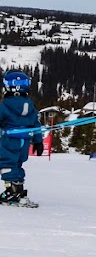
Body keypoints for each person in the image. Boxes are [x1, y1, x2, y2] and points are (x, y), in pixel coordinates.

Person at [0, 70, 43, 207]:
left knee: (7, 164)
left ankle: (12, 192)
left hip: (9, 140)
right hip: (24, 142)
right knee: (17, 163)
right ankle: (18, 189)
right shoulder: (29, 105)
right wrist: (38, 141)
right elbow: (36, 124)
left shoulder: (5, 105)